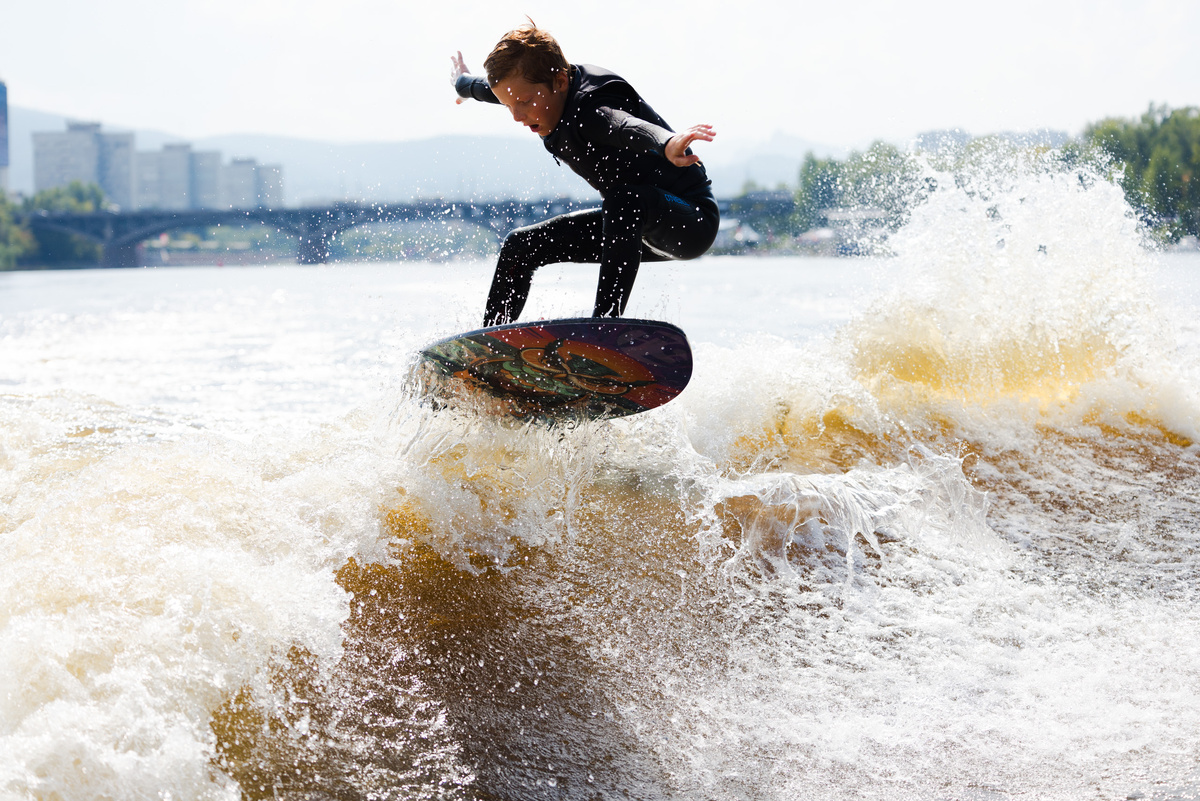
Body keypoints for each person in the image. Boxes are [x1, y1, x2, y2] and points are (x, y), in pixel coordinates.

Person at [450, 21, 720, 327]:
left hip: (689, 221)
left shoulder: (590, 108)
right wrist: (461, 83)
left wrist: (666, 143)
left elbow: (625, 127)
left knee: (623, 201)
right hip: (631, 227)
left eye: (524, 103)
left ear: (561, 81)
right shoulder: (530, 88)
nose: (516, 115)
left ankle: (604, 328)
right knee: (520, 246)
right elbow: (479, 88)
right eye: (508, 104)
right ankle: (488, 349)